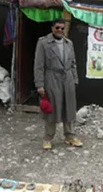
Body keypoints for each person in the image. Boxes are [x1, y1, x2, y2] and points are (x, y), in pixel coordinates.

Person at [34, 18, 82, 150]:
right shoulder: (43, 43)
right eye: (57, 28)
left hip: (68, 79)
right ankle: (48, 138)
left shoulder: (69, 43)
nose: (60, 30)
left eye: (62, 28)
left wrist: (75, 79)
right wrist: (40, 84)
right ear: (52, 28)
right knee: (52, 109)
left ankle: (70, 136)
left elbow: (73, 64)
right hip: (51, 78)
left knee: (69, 108)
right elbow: (38, 66)